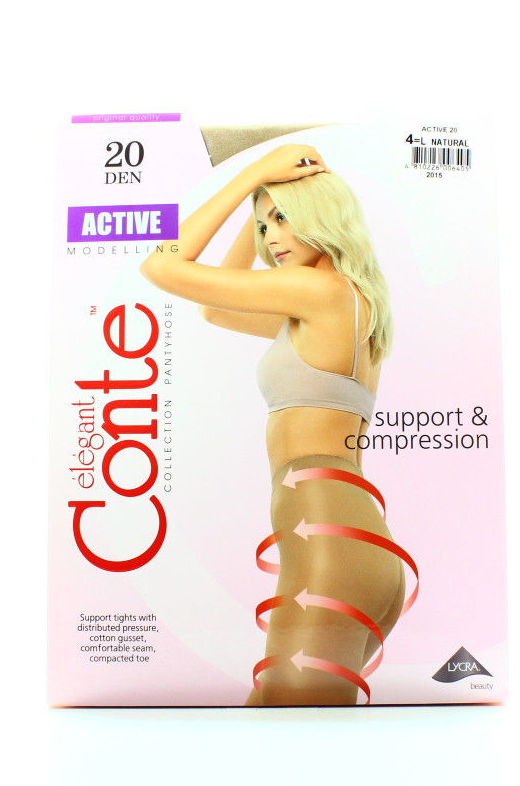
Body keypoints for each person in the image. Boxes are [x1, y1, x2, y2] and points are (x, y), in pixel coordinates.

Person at [140, 143, 405, 706]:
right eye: (265, 226)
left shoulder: (317, 291)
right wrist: (256, 204)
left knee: (287, 732)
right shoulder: (346, 303)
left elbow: (161, 265)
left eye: (284, 218)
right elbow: (214, 309)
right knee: (283, 728)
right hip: (348, 543)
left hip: (330, 548)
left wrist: (251, 174)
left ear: (320, 215)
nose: (272, 238)